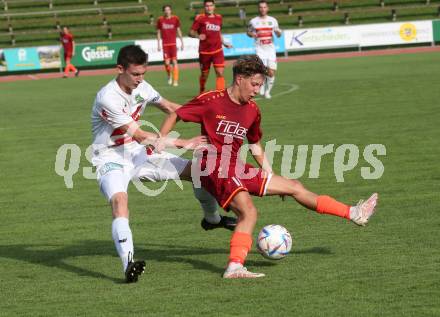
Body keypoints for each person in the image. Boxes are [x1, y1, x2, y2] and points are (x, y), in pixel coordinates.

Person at [160, 55, 379, 279]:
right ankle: (235, 267)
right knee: (249, 212)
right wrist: (162, 141)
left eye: (260, 85)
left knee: (293, 186)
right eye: (254, 84)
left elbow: (254, 144)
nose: (257, 90)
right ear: (239, 79)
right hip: (213, 166)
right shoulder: (211, 100)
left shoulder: (252, 110)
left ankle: (354, 213)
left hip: (236, 165)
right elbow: (176, 113)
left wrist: (269, 173)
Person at [90, 45, 236, 283]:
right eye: (135, 74)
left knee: (199, 171)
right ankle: (128, 264)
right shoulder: (108, 97)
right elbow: (139, 135)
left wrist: (215, 117)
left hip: (138, 154)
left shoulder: (143, 87)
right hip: (111, 157)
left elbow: (172, 108)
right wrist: (182, 142)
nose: (140, 79)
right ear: (120, 69)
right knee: (120, 202)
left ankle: (212, 220)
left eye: (143, 73)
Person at [189, 0, 232, 94]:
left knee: (220, 73)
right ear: (204, 7)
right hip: (204, 52)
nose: (209, 7)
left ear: (214, 6)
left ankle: (220, 94)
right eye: (207, 6)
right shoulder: (200, 18)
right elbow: (191, 32)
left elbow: (219, 32)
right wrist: (197, 36)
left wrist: (224, 43)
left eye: (210, 5)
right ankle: (202, 89)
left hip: (217, 50)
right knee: (204, 75)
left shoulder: (219, 18)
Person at [247, 1, 281, 99]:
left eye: (264, 7)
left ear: (267, 8)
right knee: (261, 70)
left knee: (271, 72)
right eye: (261, 7)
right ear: (258, 9)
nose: (263, 9)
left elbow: (278, 34)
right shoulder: (253, 21)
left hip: (270, 50)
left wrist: (278, 33)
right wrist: (251, 34)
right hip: (259, 49)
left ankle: (267, 91)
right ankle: (262, 86)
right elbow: (248, 32)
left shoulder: (273, 20)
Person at [156, 4, 184, 87]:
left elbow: (179, 30)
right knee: (167, 63)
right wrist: (158, 44)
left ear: (171, 10)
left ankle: (175, 80)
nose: (167, 11)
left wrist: (182, 42)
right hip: (165, 44)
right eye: (165, 10)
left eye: (168, 10)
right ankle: (169, 76)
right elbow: (158, 32)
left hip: (173, 44)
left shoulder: (175, 19)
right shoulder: (160, 20)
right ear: (163, 11)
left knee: (175, 62)